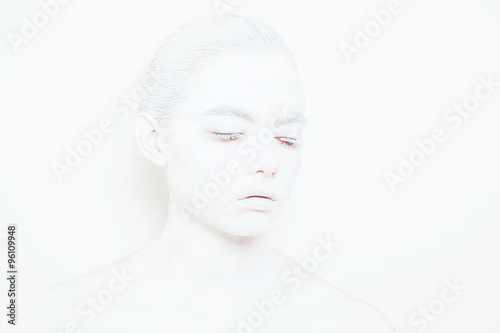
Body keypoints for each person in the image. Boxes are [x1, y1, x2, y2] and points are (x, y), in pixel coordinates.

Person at [25, 15, 395, 332]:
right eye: (228, 133)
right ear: (154, 140)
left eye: (287, 138)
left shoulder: (351, 323)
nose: (268, 162)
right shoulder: (55, 318)